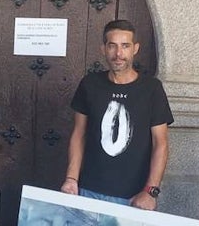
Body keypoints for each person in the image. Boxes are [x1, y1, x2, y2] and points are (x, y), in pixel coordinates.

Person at [61, 19, 172, 208]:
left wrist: (150, 191)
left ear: (135, 49)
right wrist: (71, 179)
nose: (118, 54)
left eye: (125, 46)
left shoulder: (152, 89)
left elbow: (160, 143)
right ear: (103, 49)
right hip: (88, 191)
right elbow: (79, 134)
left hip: (134, 197)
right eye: (112, 46)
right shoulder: (90, 84)